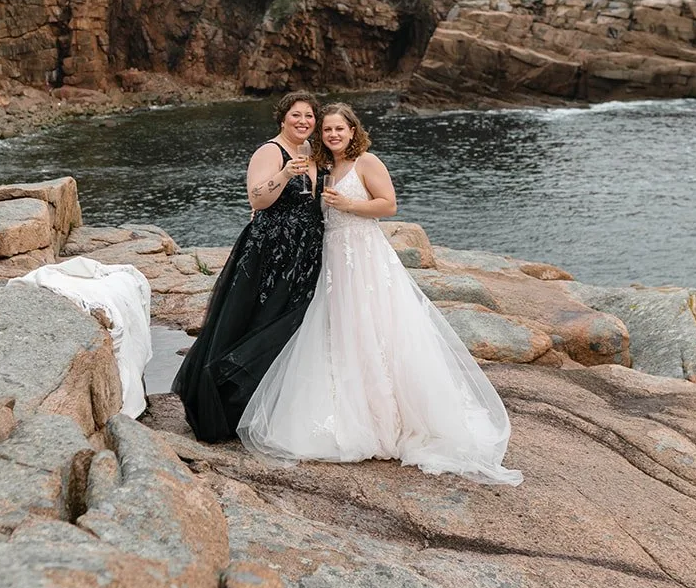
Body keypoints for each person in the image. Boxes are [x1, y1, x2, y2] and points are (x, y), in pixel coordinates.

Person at [238, 102, 522, 485]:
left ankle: (393, 417)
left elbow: (389, 205)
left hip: (366, 256)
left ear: (353, 131)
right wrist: (262, 212)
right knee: (341, 329)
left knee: (377, 324)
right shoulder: (323, 167)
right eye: (328, 130)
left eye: (339, 129)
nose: (333, 134)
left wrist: (350, 204)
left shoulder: (366, 162)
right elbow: (290, 200)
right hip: (334, 258)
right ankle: (353, 411)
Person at [173, 91, 325, 442]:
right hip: (270, 252)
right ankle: (232, 406)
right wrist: (284, 174)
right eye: (296, 115)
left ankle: (276, 405)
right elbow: (257, 198)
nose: (303, 121)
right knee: (259, 321)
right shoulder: (270, 151)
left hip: (305, 253)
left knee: (293, 323)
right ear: (282, 118)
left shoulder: (314, 152)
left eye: (309, 116)